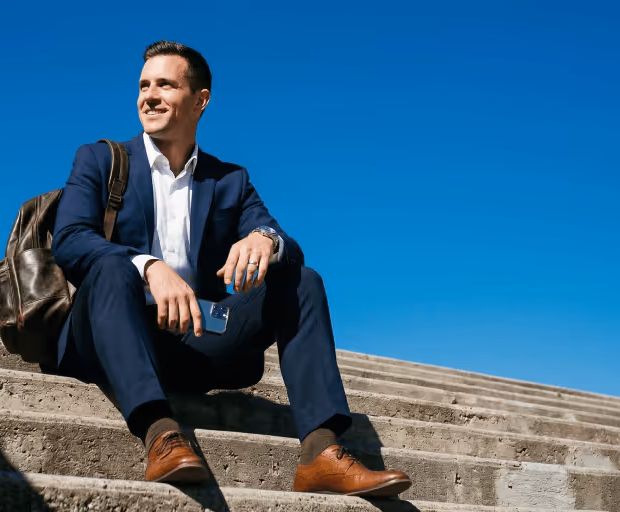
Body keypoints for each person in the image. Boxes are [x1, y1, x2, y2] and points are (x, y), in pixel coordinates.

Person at [52, 40, 412, 497]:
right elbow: (69, 240)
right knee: (112, 267)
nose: (150, 95)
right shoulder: (100, 159)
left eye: (165, 84)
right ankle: (160, 433)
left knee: (300, 279)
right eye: (144, 85)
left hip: (195, 341)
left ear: (200, 99)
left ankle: (320, 452)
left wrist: (265, 239)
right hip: (107, 335)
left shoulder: (229, 180)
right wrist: (148, 266)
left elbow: (286, 243)